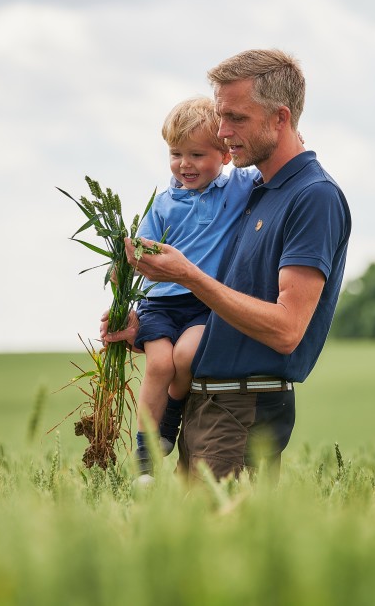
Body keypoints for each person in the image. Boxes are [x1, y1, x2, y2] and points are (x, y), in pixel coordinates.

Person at [104, 48, 352, 481]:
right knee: (190, 544)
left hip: (243, 408)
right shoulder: (254, 190)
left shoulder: (313, 196)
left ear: (280, 118)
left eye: (236, 118)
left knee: (216, 541)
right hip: (206, 404)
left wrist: (189, 277)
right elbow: (220, 302)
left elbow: (286, 329)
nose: (222, 132)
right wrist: (145, 328)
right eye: (220, 117)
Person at [130, 96, 260, 476]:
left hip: (202, 303)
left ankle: (171, 413)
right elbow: (141, 253)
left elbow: (269, 169)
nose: (185, 164)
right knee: (158, 364)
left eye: (197, 154)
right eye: (176, 154)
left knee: (186, 357)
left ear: (223, 155)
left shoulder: (235, 189)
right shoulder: (163, 205)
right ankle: (145, 455)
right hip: (160, 304)